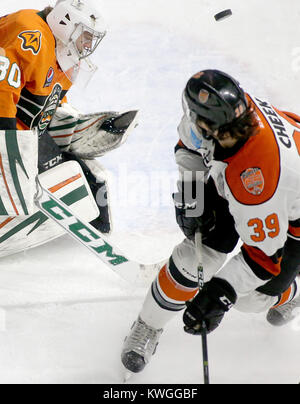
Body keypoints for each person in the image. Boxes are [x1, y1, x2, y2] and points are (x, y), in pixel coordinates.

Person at [121, 69, 300, 374]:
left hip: (288, 210)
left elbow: (263, 259)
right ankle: (148, 325)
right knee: (197, 256)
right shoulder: (225, 116)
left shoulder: (257, 182)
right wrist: (193, 195)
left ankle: (290, 294)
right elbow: (188, 147)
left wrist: (221, 292)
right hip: (243, 178)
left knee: (249, 299)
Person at [0, 0, 138, 256]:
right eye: (86, 36)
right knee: (27, 190)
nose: (87, 45)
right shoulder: (30, 32)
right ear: (66, 22)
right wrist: (8, 149)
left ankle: (86, 235)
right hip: (5, 128)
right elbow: (2, 91)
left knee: (91, 177)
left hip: (17, 132)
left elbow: (45, 110)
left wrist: (80, 130)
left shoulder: (61, 54)